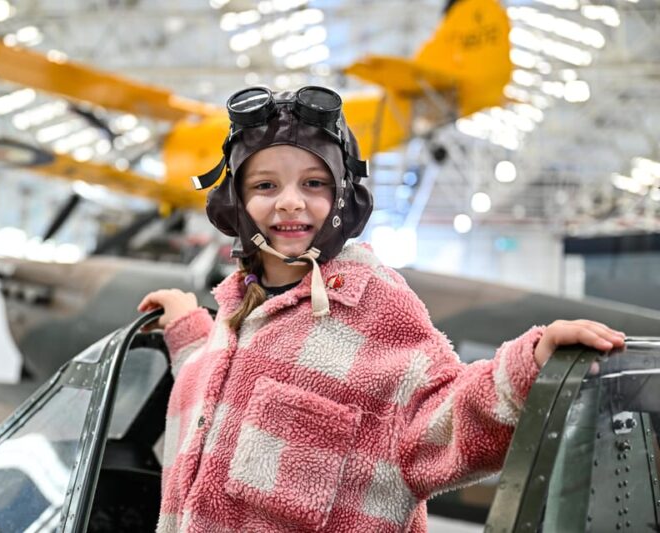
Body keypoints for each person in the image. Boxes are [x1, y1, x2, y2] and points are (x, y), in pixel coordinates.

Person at [137, 86, 625, 532]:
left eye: (313, 184)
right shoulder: (237, 309)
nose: (290, 202)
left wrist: (532, 365)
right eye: (265, 186)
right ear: (235, 201)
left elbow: (445, 414)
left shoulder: (375, 307)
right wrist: (186, 325)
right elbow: (215, 384)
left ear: (343, 198)